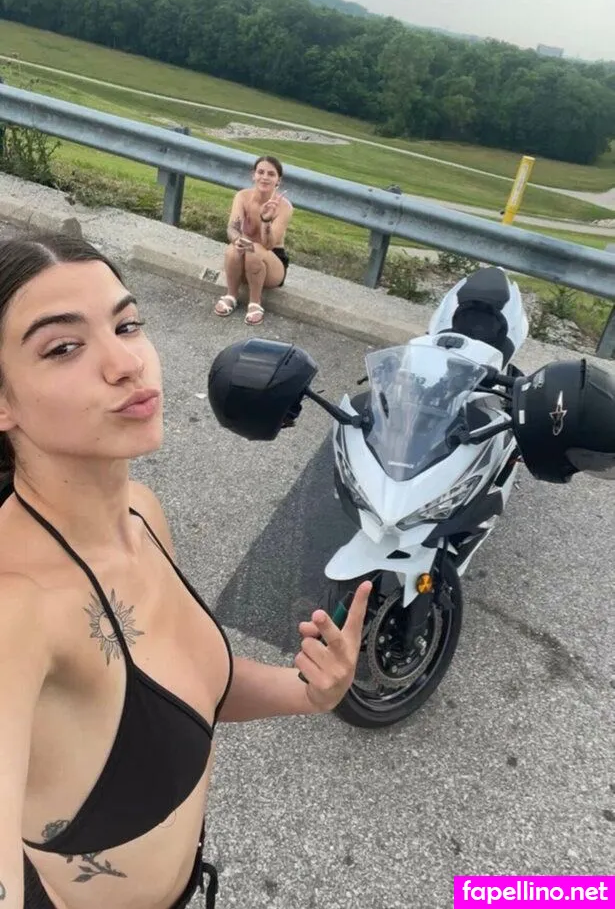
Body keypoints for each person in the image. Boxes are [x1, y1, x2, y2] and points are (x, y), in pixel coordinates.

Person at [0, 230, 372, 909]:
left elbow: (191, 690)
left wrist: (306, 692)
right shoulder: (15, 609)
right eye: (63, 347)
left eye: (127, 325)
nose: (127, 363)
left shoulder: (141, 513)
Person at [214, 156, 293, 326]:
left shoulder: (284, 207)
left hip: (271, 262)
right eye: (261, 172)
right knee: (233, 249)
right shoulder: (242, 196)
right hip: (244, 257)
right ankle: (231, 295)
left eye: (271, 174)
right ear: (253, 175)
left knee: (254, 249)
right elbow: (232, 228)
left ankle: (255, 302)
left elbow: (269, 245)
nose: (265, 177)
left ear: (278, 180)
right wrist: (237, 239)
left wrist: (266, 220)